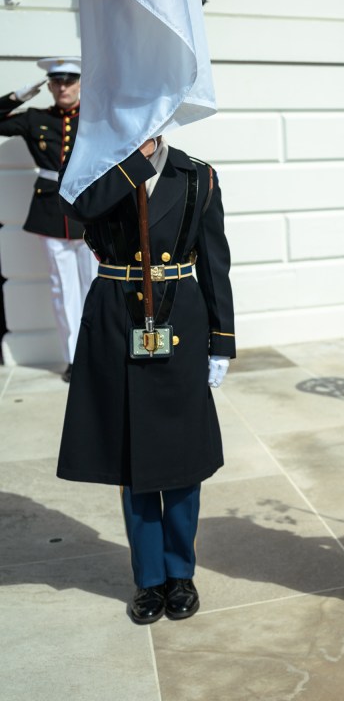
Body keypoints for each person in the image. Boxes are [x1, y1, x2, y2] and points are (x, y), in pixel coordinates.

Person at [56, 136, 235, 625]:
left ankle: (180, 572)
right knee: (132, 458)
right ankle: (148, 578)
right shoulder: (96, 167)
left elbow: (215, 260)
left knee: (181, 456)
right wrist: (133, 162)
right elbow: (74, 210)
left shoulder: (198, 174)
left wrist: (222, 342)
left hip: (179, 317)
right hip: (116, 318)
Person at [0, 57, 97, 381]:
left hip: (91, 211)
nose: (63, 87)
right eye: (57, 82)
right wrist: (19, 96)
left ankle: (98, 351)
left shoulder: (96, 115)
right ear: (50, 85)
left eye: (69, 81)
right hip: (51, 213)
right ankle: (74, 358)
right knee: (62, 290)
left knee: (94, 288)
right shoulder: (35, 118)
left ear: (80, 83)